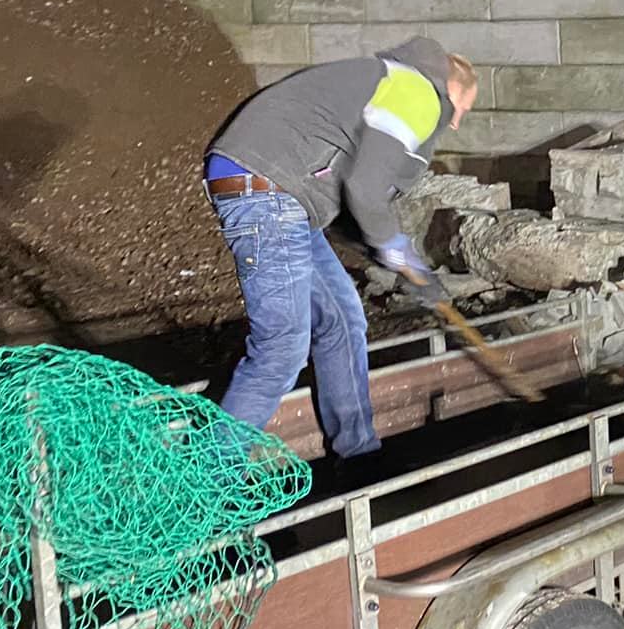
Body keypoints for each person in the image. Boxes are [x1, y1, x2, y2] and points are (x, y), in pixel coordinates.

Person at [204, 36, 477, 459]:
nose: (456, 123)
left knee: (343, 319)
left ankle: (358, 454)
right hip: (269, 188)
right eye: (462, 109)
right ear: (451, 88)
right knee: (281, 347)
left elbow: (356, 213)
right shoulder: (418, 91)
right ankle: (208, 488)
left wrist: (411, 271)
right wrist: (401, 256)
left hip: (286, 195)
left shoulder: (391, 84)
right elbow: (366, 189)